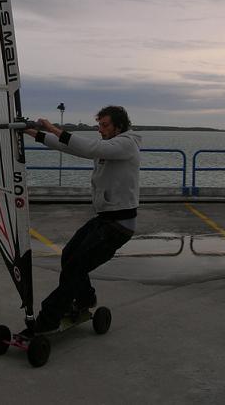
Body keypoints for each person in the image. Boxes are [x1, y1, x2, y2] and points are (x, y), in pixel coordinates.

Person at [25, 105, 141, 334]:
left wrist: (52, 128)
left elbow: (89, 147)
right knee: (69, 256)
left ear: (119, 126)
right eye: (99, 125)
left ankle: (48, 318)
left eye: (105, 125)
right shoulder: (109, 146)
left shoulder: (126, 144)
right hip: (104, 220)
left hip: (119, 225)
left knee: (75, 268)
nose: (100, 129)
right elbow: (73, 148)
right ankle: (86, 299)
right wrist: (34, 133)